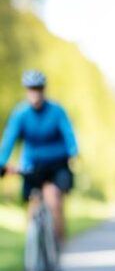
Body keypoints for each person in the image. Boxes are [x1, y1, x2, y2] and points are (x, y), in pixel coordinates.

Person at [0, 70, 79, 255]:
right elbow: (8, 141)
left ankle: (57, 248)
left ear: (43, 90)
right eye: (31, 89)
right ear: (27, 91)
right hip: (32, 165)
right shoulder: (21, 114)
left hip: (57, 163)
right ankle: (33, 253)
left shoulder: (56, 111)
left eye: (38, 89)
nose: (35, 93)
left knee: (52, 197)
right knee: (33, 203)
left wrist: (73, 152)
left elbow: (69, 135)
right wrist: (2, 162)